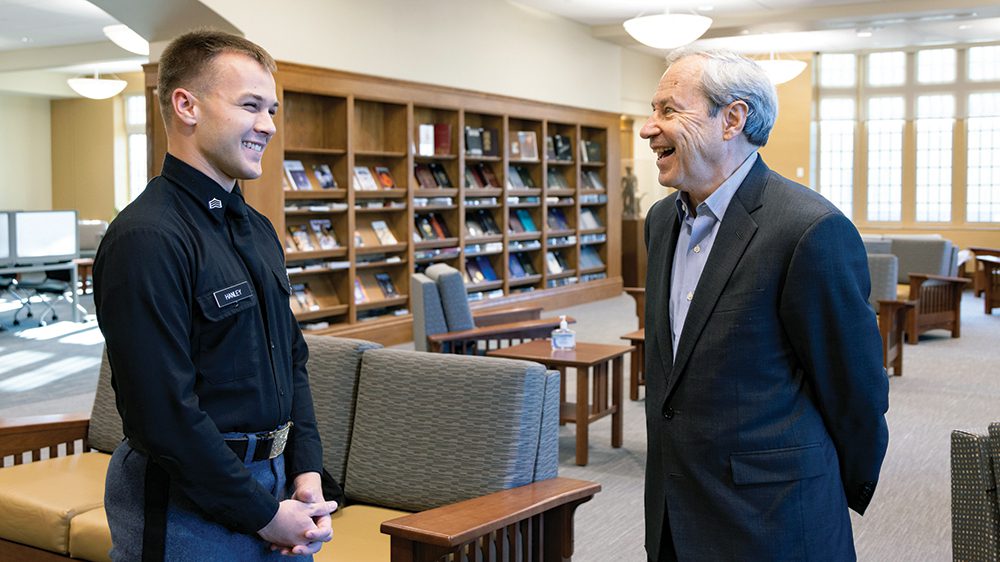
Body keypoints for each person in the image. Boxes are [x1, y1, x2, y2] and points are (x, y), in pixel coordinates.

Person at [93, 30, 338, 560]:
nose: (268, 125)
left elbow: (292, 361)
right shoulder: (148, 238)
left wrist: (307, 471)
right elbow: (162, 414)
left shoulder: (256, 228)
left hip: (280, 489)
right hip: (189, 505)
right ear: (186, 105)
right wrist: (264, 516)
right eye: (250, 106)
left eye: (271, 109)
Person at [638, 47, 889, 561]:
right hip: (674, 513)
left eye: (668, 110)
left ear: (732, 119)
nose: (648, 128)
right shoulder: (660, 223)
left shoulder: (809, 230)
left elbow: (856, 391)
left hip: (773, 520)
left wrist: (821, 484)